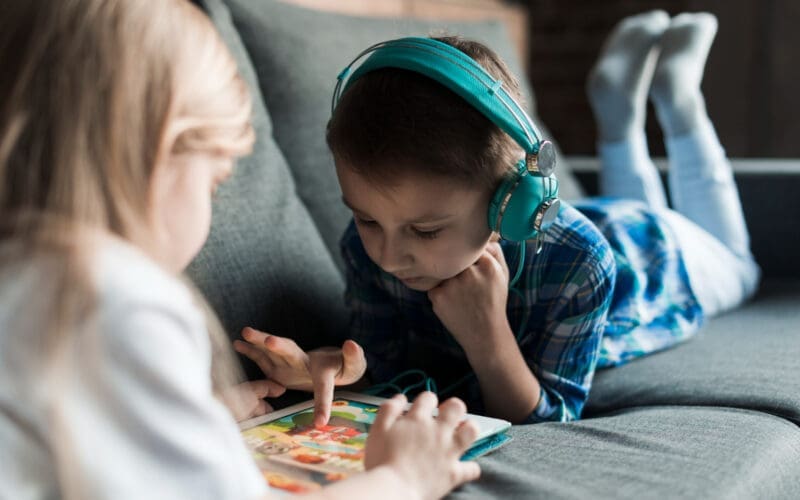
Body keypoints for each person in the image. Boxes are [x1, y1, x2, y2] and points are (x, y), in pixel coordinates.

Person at [0, 1, 481, 499]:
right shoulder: (117, 297)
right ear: (163, 153)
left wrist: (194, 421)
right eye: (215, 183)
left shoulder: (25, 277)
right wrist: (403, 479)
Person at [236, 11, 759, 426]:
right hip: (599, 221)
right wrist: (333, 367)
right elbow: (389, 367)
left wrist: (488, 335)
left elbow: (548, 418)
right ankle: (619, 111)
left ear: (512, 203)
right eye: (368, 220)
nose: (387, 255)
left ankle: (679, 99)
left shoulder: (582, 264)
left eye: (425, 230)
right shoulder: (367, 245)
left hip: (659, 255)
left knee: (742, 264)